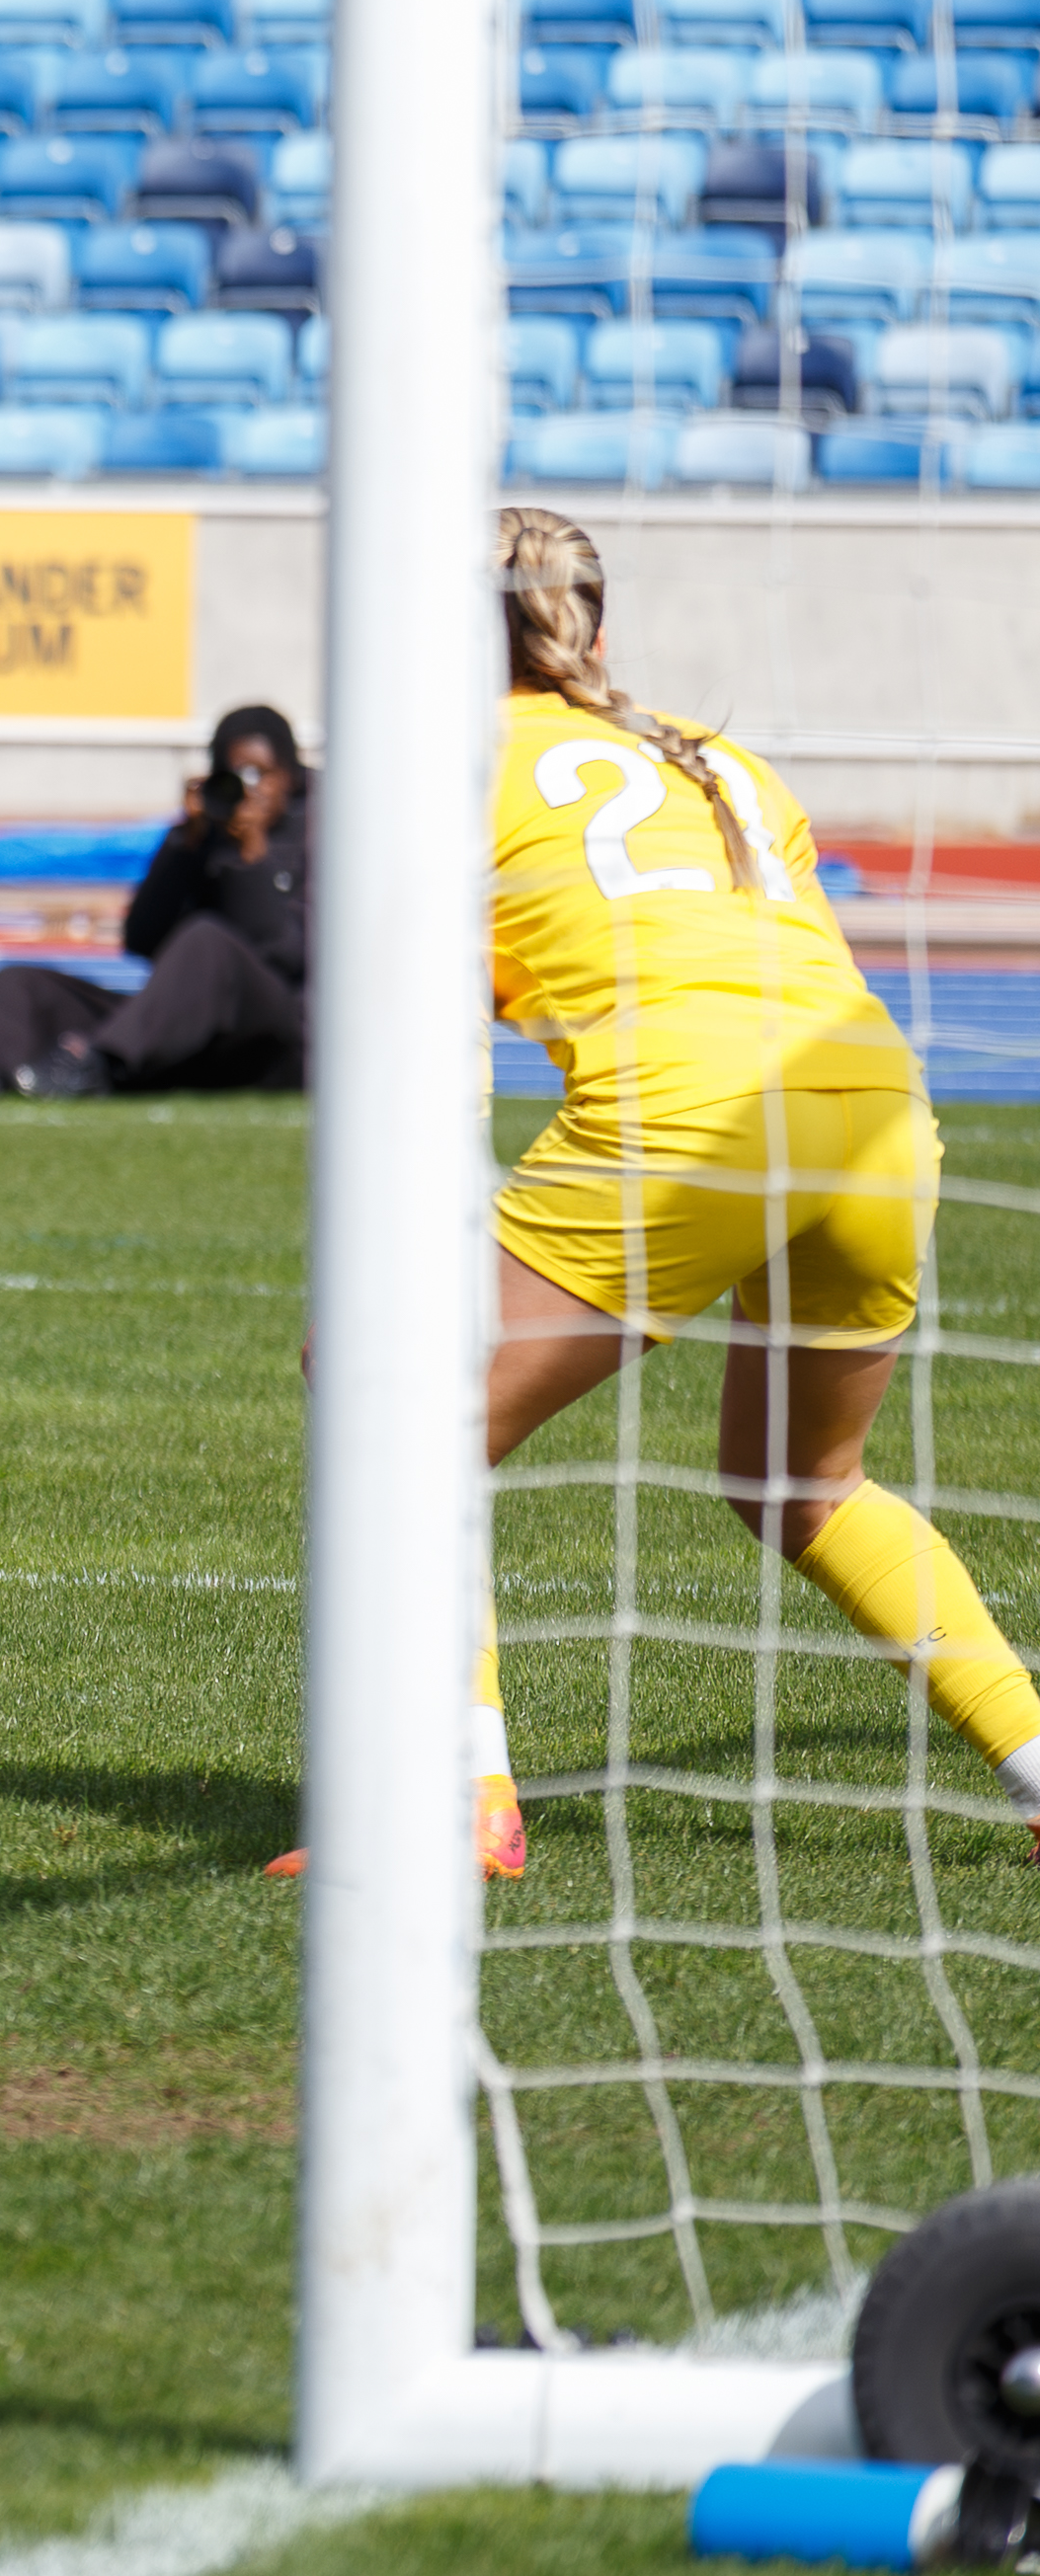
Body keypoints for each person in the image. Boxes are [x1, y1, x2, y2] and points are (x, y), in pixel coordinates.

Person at [446, 508, 1040, 1880]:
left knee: (397, 1425)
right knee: (806, 1480)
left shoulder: (448, 764)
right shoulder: (724, 764)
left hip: (687, 1111)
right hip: (874, 1101)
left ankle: (466, 1799)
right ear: (595, 622)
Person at [0, 704, 313, 1101]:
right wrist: (185, 844)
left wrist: (252, 858)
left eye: (262, 774)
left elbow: (291, 956)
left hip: (279, 1041)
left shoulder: (327, 832)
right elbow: (142, 939)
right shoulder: (211, 837)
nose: (250, 790)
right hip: (188, 1035)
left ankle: (96, 1065)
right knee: (23, 983)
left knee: (208, 942)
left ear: (291, 775)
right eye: (236, 776)